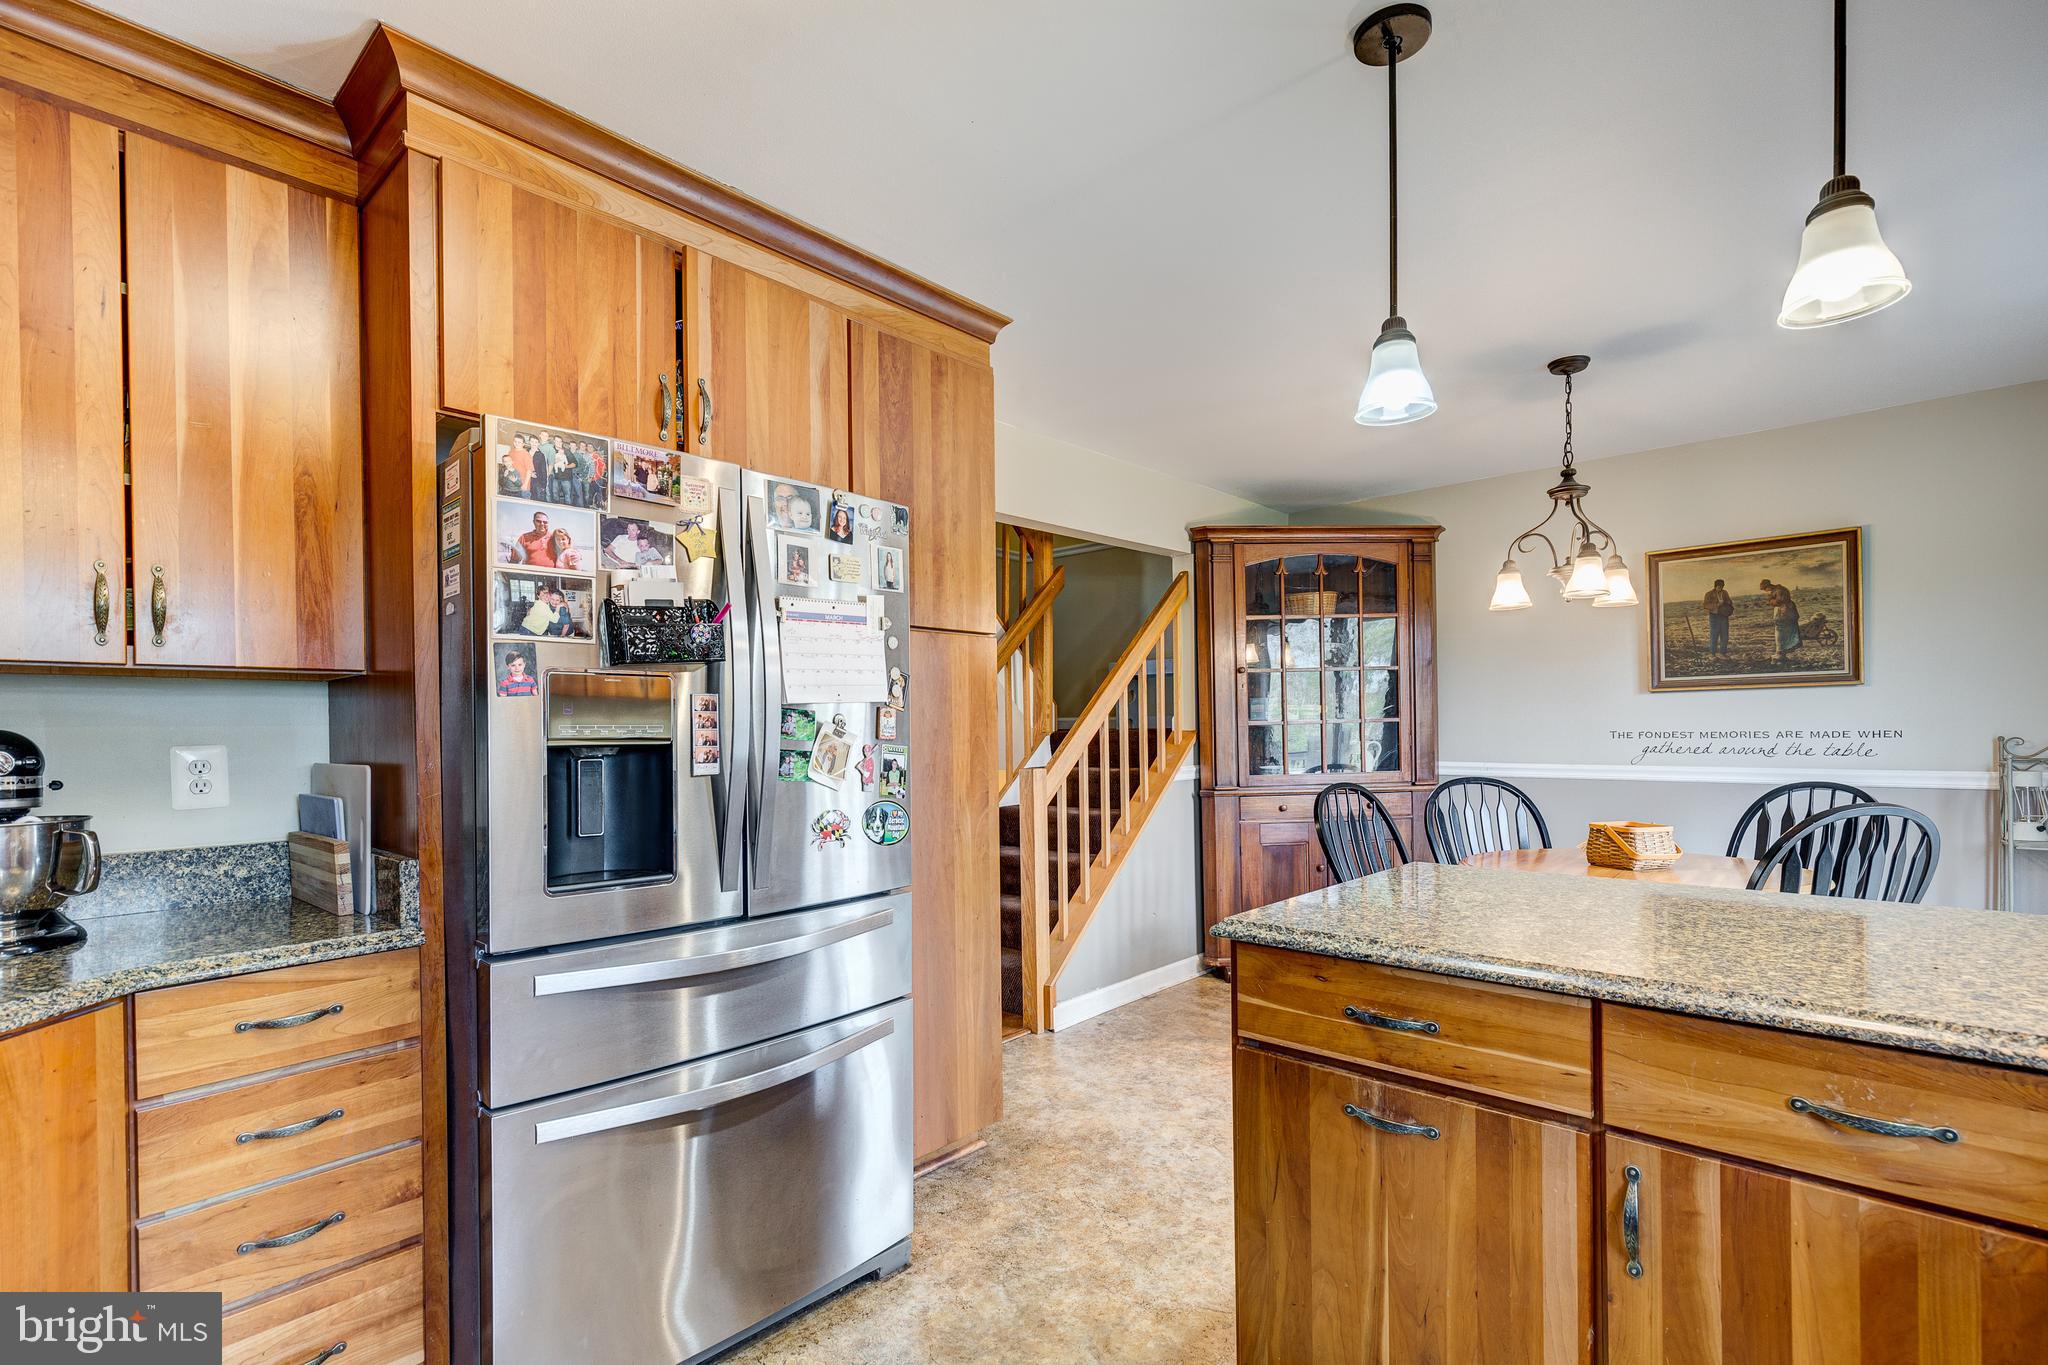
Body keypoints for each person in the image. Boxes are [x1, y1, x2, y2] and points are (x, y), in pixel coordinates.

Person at [1760, 578, 1801, 662]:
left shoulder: (1779, 590)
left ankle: (1781, 653)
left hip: (1785, 612)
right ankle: (1781, 652)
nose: (1766, 591)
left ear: (1768, 586)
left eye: (1765, 589)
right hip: (1784, 611)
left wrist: (1771, 601)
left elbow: (1779, 601)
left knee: (1782, 633)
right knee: (1781, 632)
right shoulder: (1777, 590)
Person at [1702, 578, 1733, 656]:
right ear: (1715, 586)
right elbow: (1705, 605)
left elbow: (1730, 601)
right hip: (1714, 616)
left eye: (1722, 587)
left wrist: (1726, 603)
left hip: (1724, 615)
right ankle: (1712, 653)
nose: (1720, 588)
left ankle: (1723, 653)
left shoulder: (1725, 592)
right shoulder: (1709, 594)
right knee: (1714, 635)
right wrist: (1717, 605)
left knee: (1725, 635)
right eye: (1719, 587)